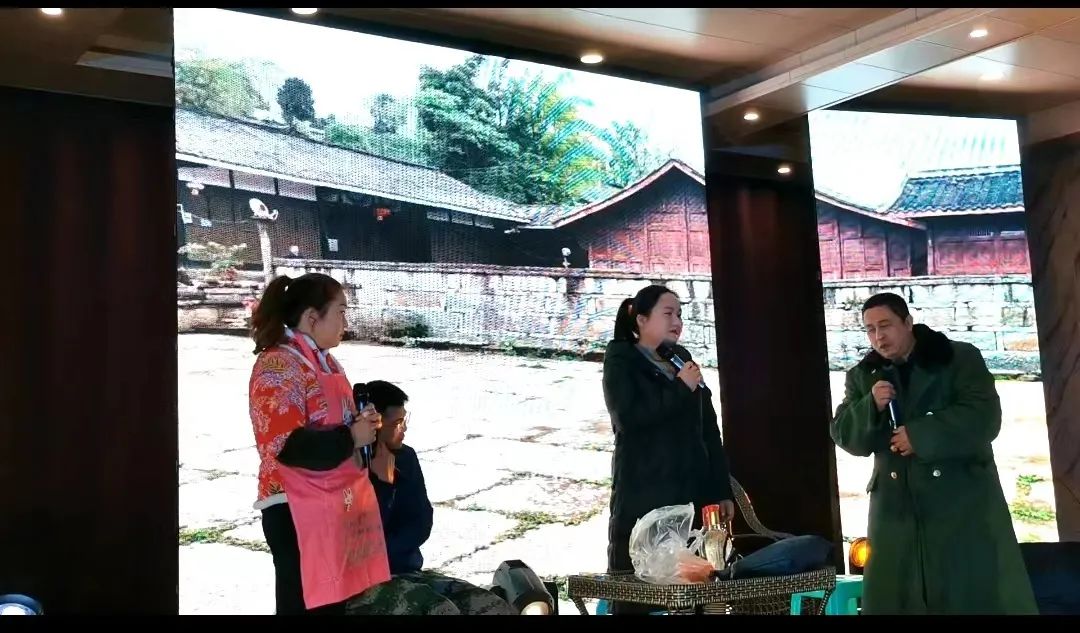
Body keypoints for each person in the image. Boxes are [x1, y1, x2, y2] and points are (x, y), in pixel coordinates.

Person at [831, 292, 1038, 615]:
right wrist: (869, 406)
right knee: (899, 597)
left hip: (959, 503)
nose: (879, 336)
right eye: (870, 329)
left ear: (907, 322)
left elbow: (984, 417)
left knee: (968, 594)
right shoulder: (865, 375)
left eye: (885, 325)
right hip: (895, 510)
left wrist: (921, 436)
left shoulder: (957, 358)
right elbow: (846, 437)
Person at [248, 273, 388, 615]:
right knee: (305, 605)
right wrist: (351, 436)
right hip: (294, 510)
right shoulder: (278, 364)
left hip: (330, 504)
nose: (345, 322)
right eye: (340, 312)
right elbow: (286, 445)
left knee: (334, 603)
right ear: (312, 317)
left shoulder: (325, 360)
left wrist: (362, 423)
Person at [602, 284, 734, 615]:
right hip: (645, 497)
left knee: (695, 590)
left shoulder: (681, 359)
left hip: (692, 497)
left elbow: (709, 430)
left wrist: (721, 490)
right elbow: (628, 419)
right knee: (643, 594)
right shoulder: (622, 360)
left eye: (680, 314)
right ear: (642, 320)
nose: (677, 321)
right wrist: (679, 388)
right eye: (668, 313)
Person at [345, 380, 516, 615]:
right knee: (440, 610)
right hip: (364, 582)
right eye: (396, 423)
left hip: (405, 570)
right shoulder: (350, 465)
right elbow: (361, 538)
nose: (404, 429)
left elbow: (421, 521)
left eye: (405, 420)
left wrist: (390, 550)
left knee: (490, 605)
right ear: (374, 426)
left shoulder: (405, 458)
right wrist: (383, 484)